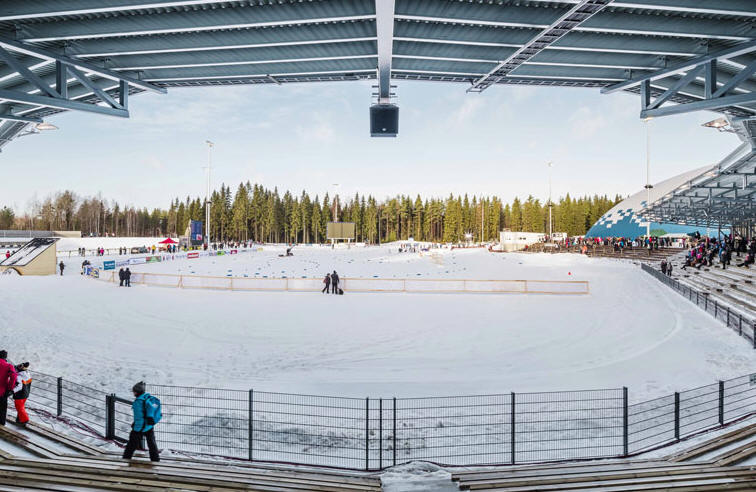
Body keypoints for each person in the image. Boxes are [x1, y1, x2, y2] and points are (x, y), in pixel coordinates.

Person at [122, 382, 160, 462]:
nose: (133, 392)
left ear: (137, 392)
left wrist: (136, 427)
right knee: (152, 444)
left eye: (134, 391)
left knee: (131, 444)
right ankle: (155, 460)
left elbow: (139, 416)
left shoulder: (139, 401)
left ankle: (125, 460)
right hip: (149, 426)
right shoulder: (147, 397)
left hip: (141, 427)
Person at [0, 351, 17, 426]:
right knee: (2, 409)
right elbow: (13, 377)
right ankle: (1, 424)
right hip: (2, 392)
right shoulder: (9, 366)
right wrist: (10, 388)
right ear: (5, 357)